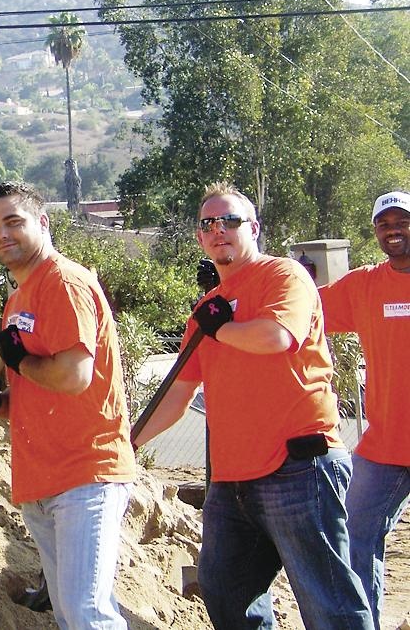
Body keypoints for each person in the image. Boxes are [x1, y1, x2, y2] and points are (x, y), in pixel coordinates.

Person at [133, 181, 371, 629]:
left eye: (230, 220)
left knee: (327, 600)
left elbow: (276, 337)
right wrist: (124, 448)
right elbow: (177, 397)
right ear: (200, 236)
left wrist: (220, 328)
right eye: (208, 223)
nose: (218, 229)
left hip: (299, 465)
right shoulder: (206, 310)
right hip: (232, 480)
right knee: (224, 588)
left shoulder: (283, 276)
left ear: (254, 228)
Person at [0, 181, 135, 628]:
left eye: (13, 222)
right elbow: (34, 394)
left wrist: (20, 359)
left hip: (85, 474)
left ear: (42, 222)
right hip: (42, 478)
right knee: (70, 616)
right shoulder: (18, 299)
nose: (2, 234)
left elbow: (74, 375)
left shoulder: (64, 282)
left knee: (87, 614)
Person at [318, 190, 410, 629]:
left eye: (402, 221)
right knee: (355, 534)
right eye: (384, 223)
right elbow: (300, 307)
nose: (394, 230)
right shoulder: (365, 286)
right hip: (387, 445)